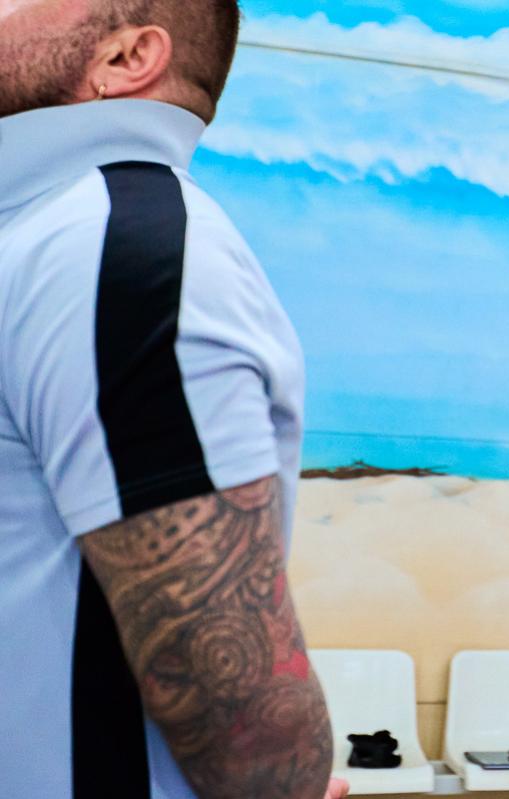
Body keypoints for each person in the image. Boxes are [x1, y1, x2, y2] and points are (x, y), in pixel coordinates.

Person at [0, 2, 347, 797]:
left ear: (127, 57)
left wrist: (282, 780)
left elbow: (246, 723)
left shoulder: (111, 246)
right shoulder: (47, 235)